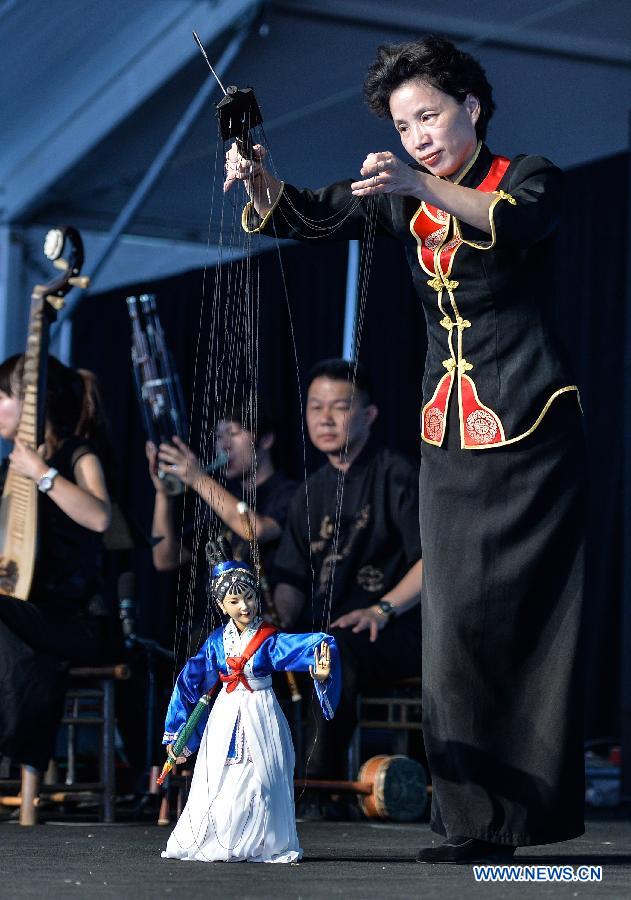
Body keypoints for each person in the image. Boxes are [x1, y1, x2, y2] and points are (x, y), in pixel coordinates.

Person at [226, 36, 585, 862]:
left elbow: (521, 223)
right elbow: (308, 214)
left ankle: (525, 818)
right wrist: (258, 175)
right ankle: (470, 821)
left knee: (527, 625)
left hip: (531, 428)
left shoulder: (525, 174)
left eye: (429, 115)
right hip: (448, 430)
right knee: (453, 625)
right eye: (402, 123)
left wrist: (417, 183)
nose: (417, 134)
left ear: (471, 107)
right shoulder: (399, 194)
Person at [274, 359, 423, 785]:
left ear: (368, 415)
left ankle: (318, 785)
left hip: (392, 629)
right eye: (315, 406)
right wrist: (275, 617)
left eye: (339, 407)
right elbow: (292, 577)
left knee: (335, 649)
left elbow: (431, 561)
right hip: (325, 631)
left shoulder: (396, 474)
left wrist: (381, 609)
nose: (325, 418)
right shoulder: (309, 491)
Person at [160, 537, 340, 864]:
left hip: (262, 709)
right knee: (219, 778)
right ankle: (217, 838)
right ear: (221, 606)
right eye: (234, 601)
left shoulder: (268, 640)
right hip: (226, 712)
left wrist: (321, 666)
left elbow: (303, 647)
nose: (244, 607)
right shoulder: (217, 643)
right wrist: (177, 733)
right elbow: (191, 680)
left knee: (266, 778)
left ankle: (264, 841)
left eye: (249, 597)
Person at [0, 354, 112, 784]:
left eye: (5, 396)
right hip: (28, 615)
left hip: (78, 620)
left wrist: (42, 473)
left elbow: (100, 518)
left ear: (31, 402)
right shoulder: (8, 473)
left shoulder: (77, 456)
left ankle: (15, 747)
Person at [146, 403, 296, 631]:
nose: (224, 445)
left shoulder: (289, 493)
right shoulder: (220, 499)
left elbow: (255, 530)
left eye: (234, 433)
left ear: (265, 440)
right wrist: (163, 494)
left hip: (261, 633)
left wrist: (197, 478)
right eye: (219, 436)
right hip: (215, 634)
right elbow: (164, 558)